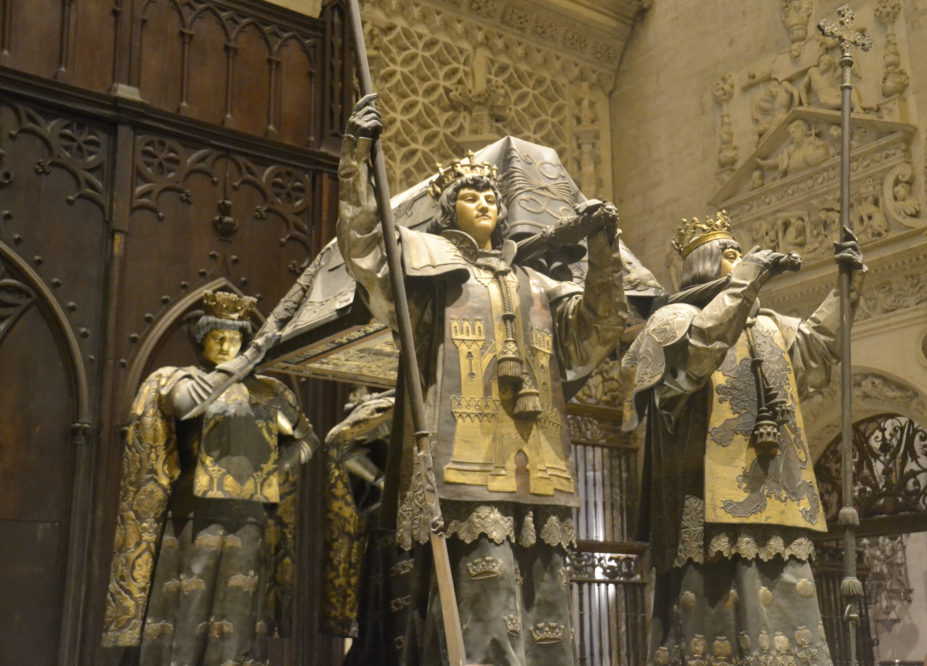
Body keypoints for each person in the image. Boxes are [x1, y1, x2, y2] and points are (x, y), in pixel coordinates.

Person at [336, 94, 627, 665]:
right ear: (448, 213)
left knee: (549, 625)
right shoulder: (430, 271)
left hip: (539, 472)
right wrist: (356, 160)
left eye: (492, 194)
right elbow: (369, 249)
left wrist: (602, 248)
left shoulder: (540, 286)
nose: (485, 202)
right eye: (469, 195)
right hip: (462, 475)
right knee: (482, 619)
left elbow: (597, 329)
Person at [623, 211, 865, 666]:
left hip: (777, 499)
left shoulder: (768, 325)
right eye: (731, 255)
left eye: (742, 256)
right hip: (706, 506)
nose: (743, 261)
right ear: (704, 263)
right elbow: (696, 356)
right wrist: (749, 277)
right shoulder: (673, 319)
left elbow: (819, 346)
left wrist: (847, 286)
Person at [102, 290, 319, 665]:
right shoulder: (177, 379)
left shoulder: (269, 392)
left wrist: (272, 468)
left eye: (234, 338)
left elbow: (306, 439)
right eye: (217, 337)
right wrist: (249, 359)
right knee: (186, 608)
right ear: (202, 340)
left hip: (251, 517)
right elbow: (190, 404)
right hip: (192, 515)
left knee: (240, 612)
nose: (225, 344)